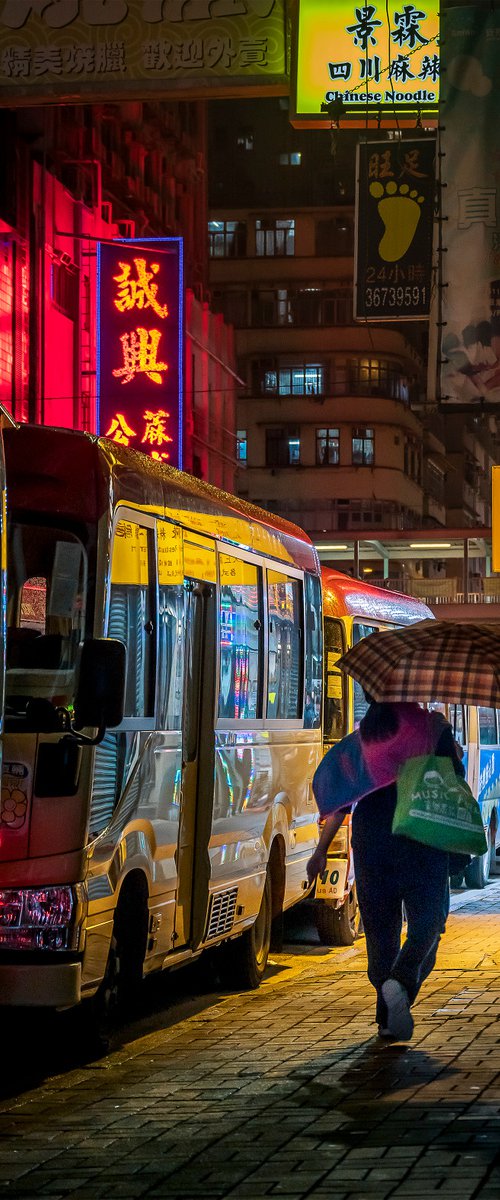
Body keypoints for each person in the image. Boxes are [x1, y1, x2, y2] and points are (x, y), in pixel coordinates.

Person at [307, 697, 466, 1042]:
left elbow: (341, 797)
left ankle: (386, 1020)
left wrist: (321, 851)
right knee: (429, 922)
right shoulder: (432, 727)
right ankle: (402, 982)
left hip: (372, 836)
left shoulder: (366, 735)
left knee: (381, 934)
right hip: (420, 832)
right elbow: (455, 778)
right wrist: (452, 748)